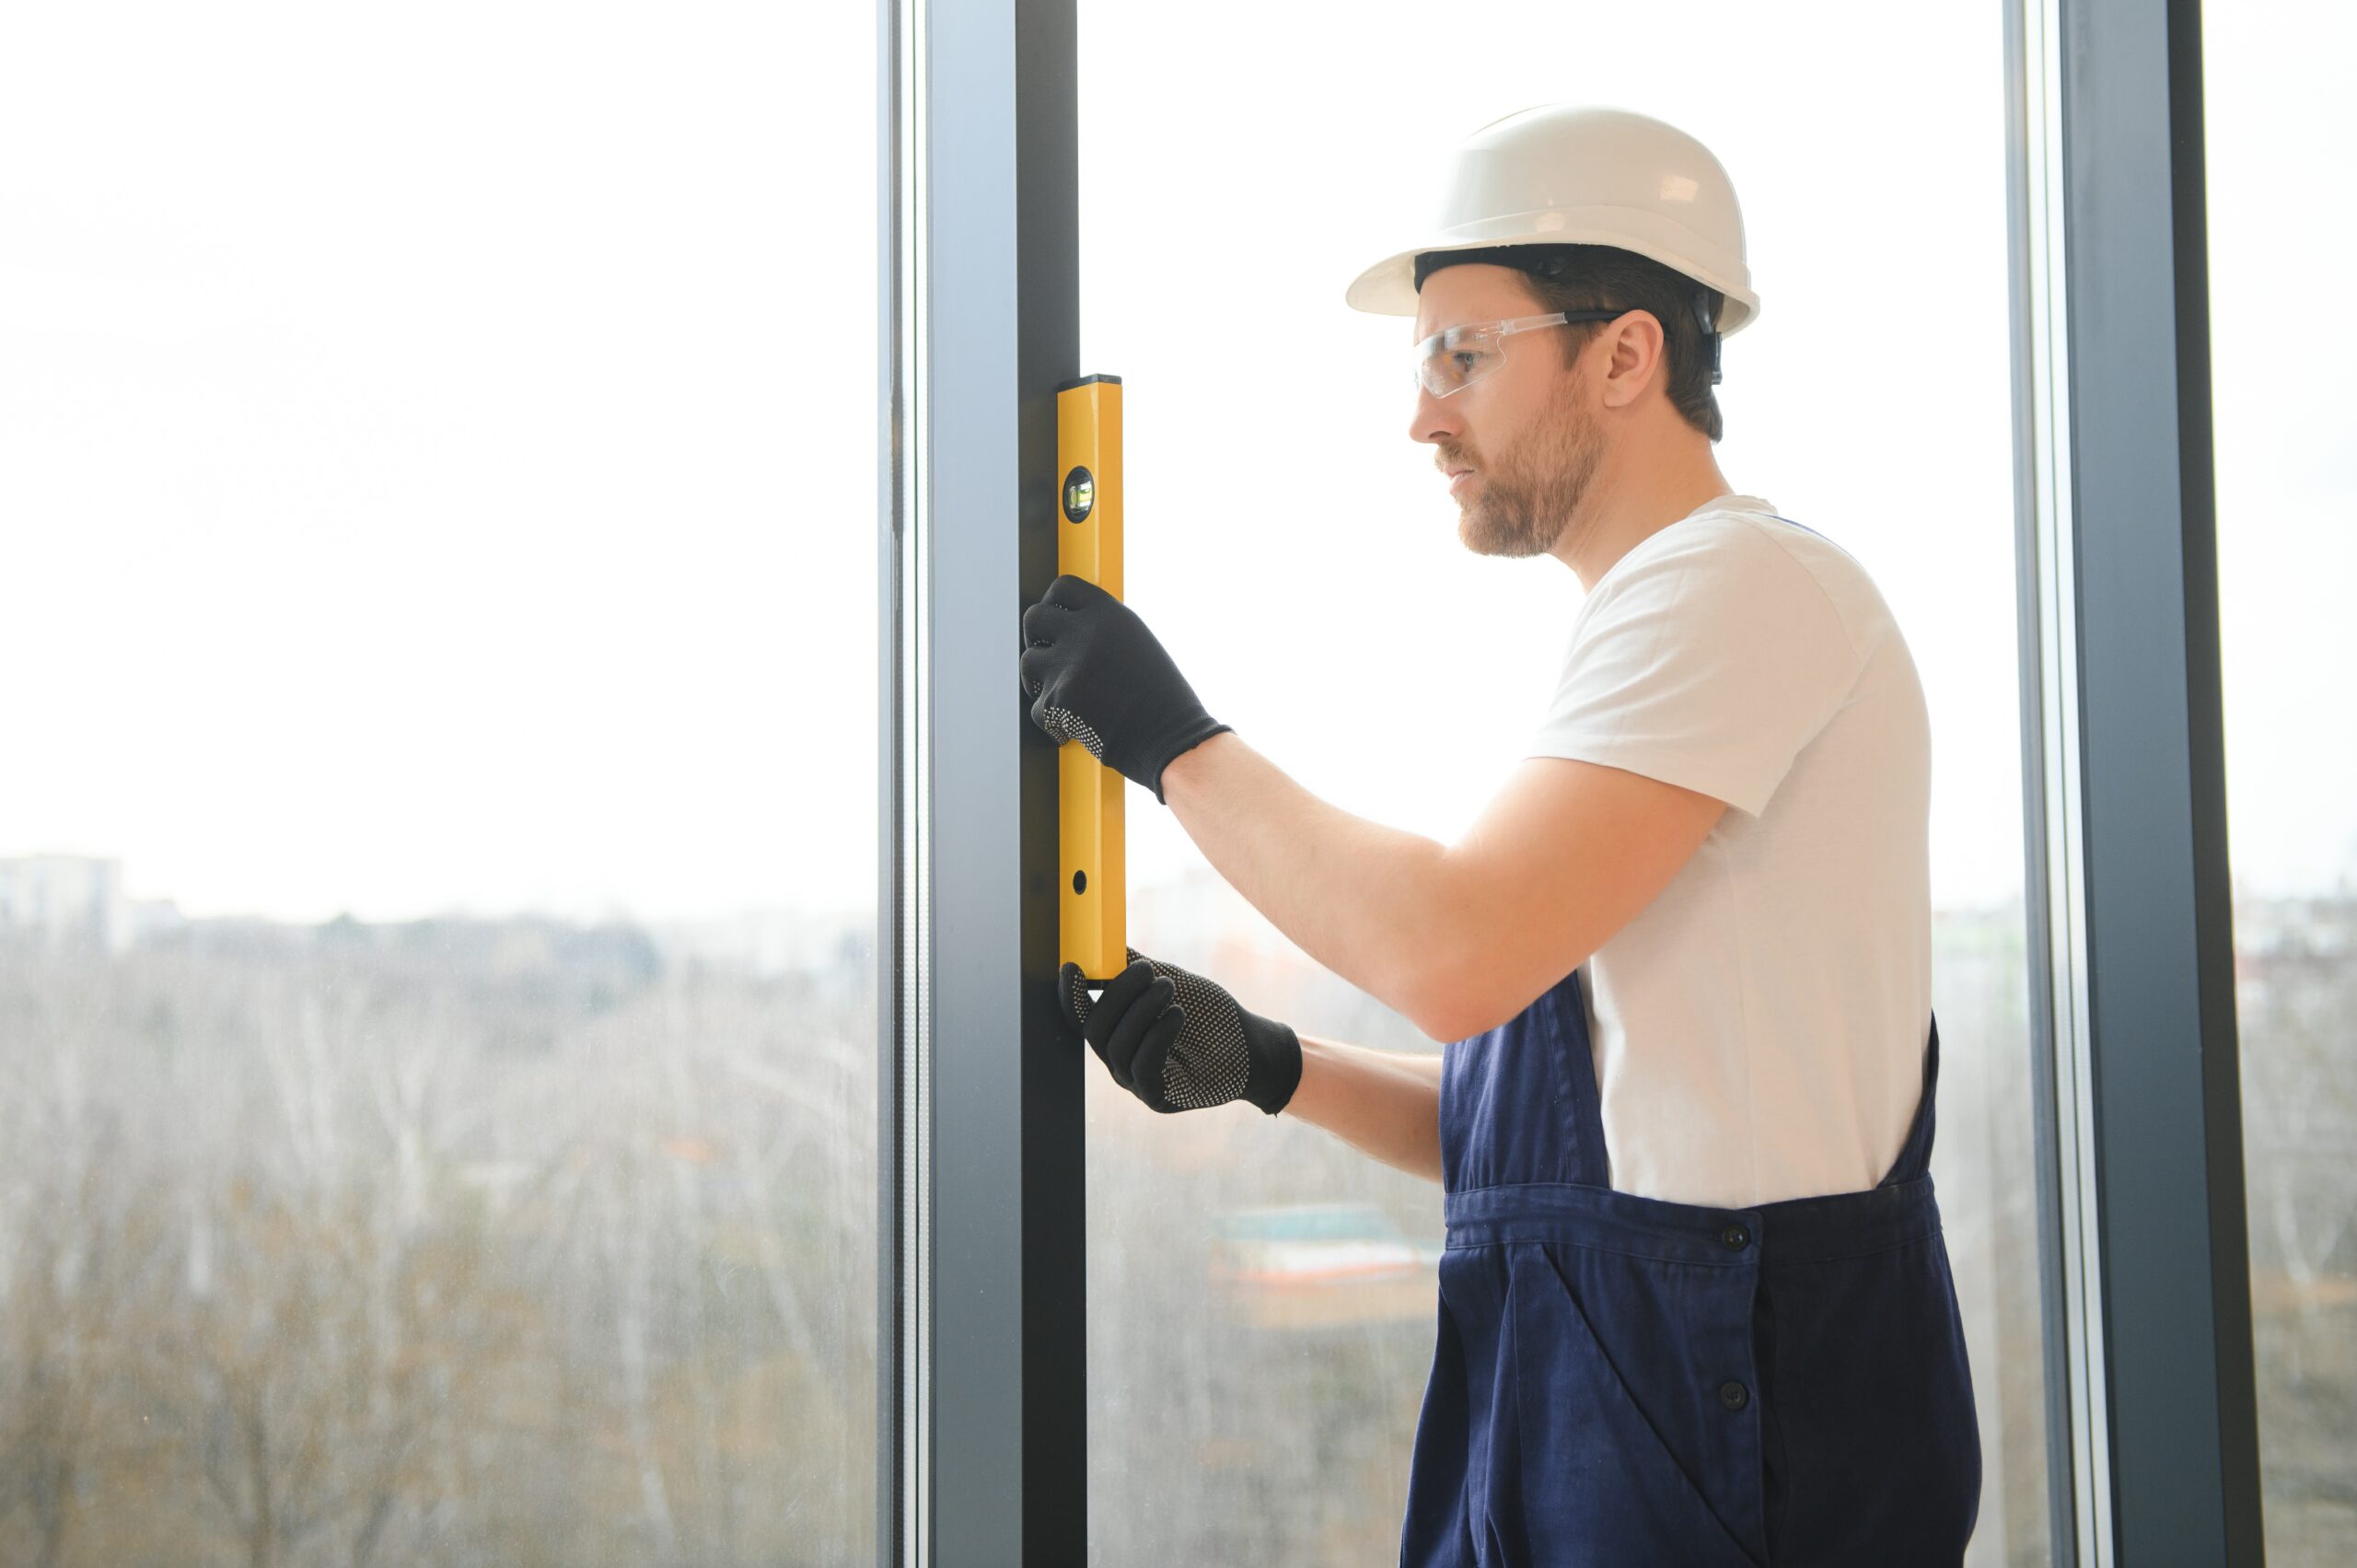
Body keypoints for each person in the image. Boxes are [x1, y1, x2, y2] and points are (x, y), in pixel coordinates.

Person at [1017, 102, 1980, 1566]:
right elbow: (1580, 1143)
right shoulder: (1661, 632)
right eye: (1423, 362)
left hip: (1723, 1403)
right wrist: (1278, 1068)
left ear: (1625, 354)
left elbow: (1450, 951)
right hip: (1620, 1374)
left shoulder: (1740, 593)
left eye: (1464, 354)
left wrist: (1171, 744)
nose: (1422, 413)